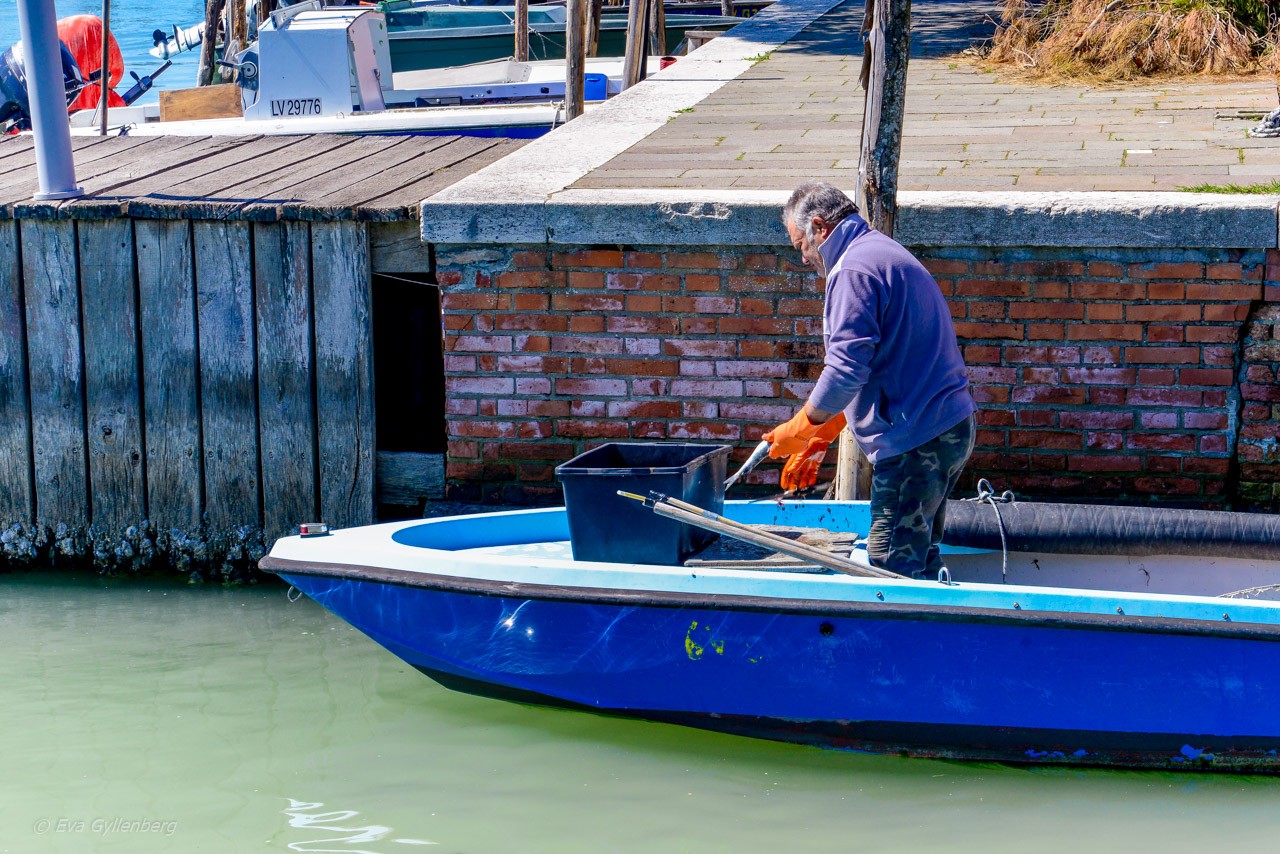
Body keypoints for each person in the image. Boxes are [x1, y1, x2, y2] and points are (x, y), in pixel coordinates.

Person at [763, 181, 977, 578]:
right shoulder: (878, 250)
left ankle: (907, 637)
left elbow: (845, 369)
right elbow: (883, 368)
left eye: (801, 247)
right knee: (919, 553)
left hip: (917, 443)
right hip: (945, 428)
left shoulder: (853, 270)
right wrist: (822, 435)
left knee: (890, 563)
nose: (805, 259)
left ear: (819, 227)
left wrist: (802, 425)